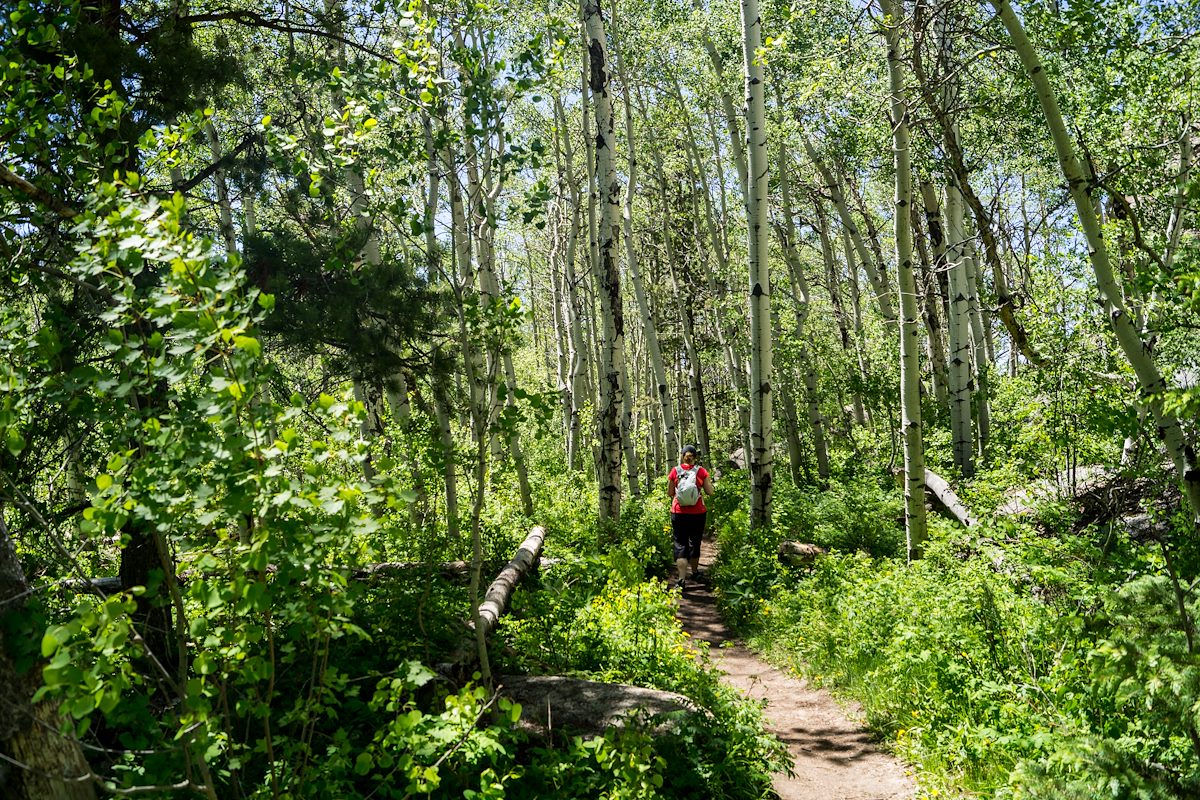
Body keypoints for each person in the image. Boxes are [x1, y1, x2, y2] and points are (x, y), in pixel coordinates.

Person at [667, 444, 714, 591]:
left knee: (680, 544)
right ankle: (694, 572)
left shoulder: (675, 471)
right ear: (695, 457)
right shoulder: (701, 471)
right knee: (695, 541)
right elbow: (709, 492)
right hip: (698, 513)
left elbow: (670, 493)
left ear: (682, 456)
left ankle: (681, 579)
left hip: (678, 513)